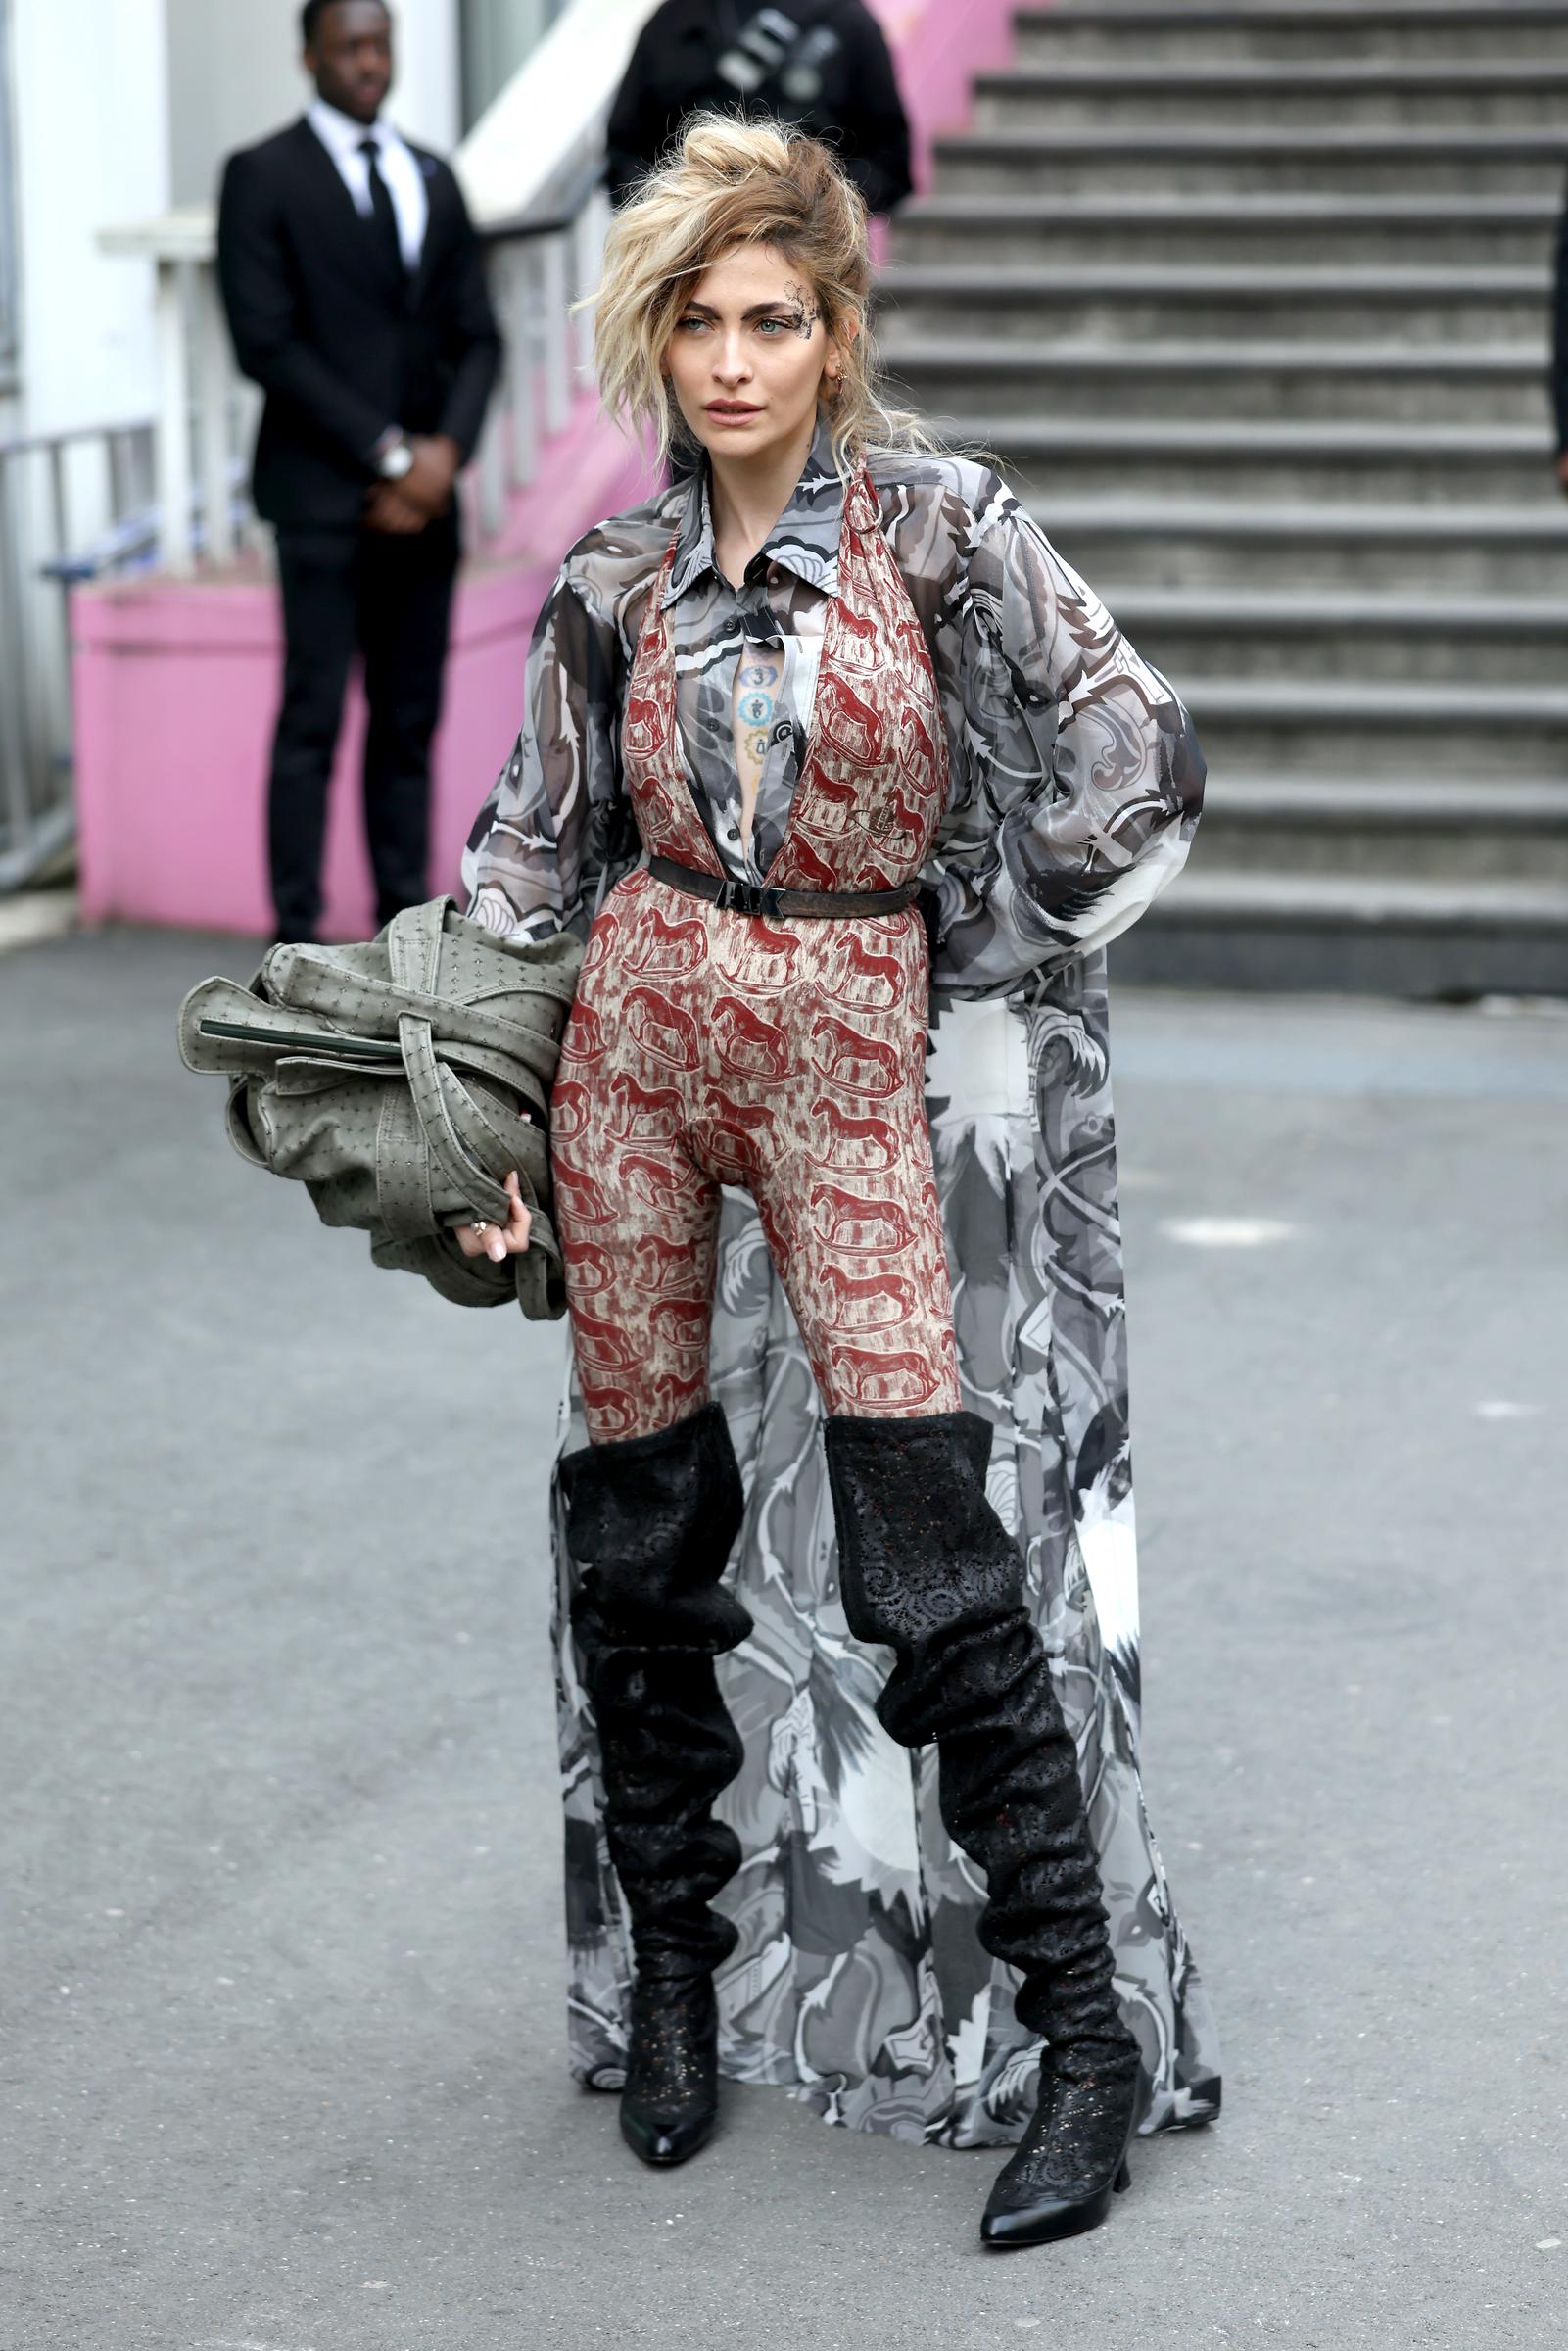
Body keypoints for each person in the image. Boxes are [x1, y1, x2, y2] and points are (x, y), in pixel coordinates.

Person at [459, 116, 1209, 2248]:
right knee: (639, 1537)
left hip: (844, 1066)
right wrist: (477, 1141)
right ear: (656, 339)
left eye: (770, 320)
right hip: (629, 1060)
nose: (731, 360)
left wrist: (963, 938)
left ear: (835, 332)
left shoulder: (941, 526)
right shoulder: (611, 579)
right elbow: (526, 864)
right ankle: (673, 1983)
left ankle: (1083, 2047)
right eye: (696, 321)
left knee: (925, 1547)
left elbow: (1138, 754)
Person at [217, 0, 501, 946]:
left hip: (427, 504)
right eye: (349, 47)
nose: (368, 62)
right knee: (312, 720)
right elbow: (265, 343)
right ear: (311, 57)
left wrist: (442, 458)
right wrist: (390, 455)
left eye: (380, 45)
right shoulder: (262, 175)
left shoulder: (433, 175)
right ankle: (293, 932)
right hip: (320, 499)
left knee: (409, 718)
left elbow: (479, 337)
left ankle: (400, 926)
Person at [605, 1, 913, 215]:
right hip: (688, 252)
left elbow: (890, 161)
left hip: (812, 257)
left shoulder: (847, 22)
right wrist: (677, 208)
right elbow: (624, 153)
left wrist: (815, 201)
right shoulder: (670, 24)